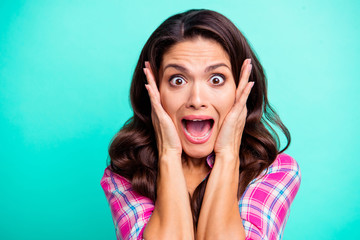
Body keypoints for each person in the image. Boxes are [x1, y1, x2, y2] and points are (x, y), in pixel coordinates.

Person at [100, 9, 301, 240]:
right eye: (178, 80)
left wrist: (227, 155)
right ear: (154, 91)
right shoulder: (124, 175)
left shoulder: (275, 171)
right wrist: (169, 154)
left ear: (241, 88)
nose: (196, 100)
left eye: (216, 79)